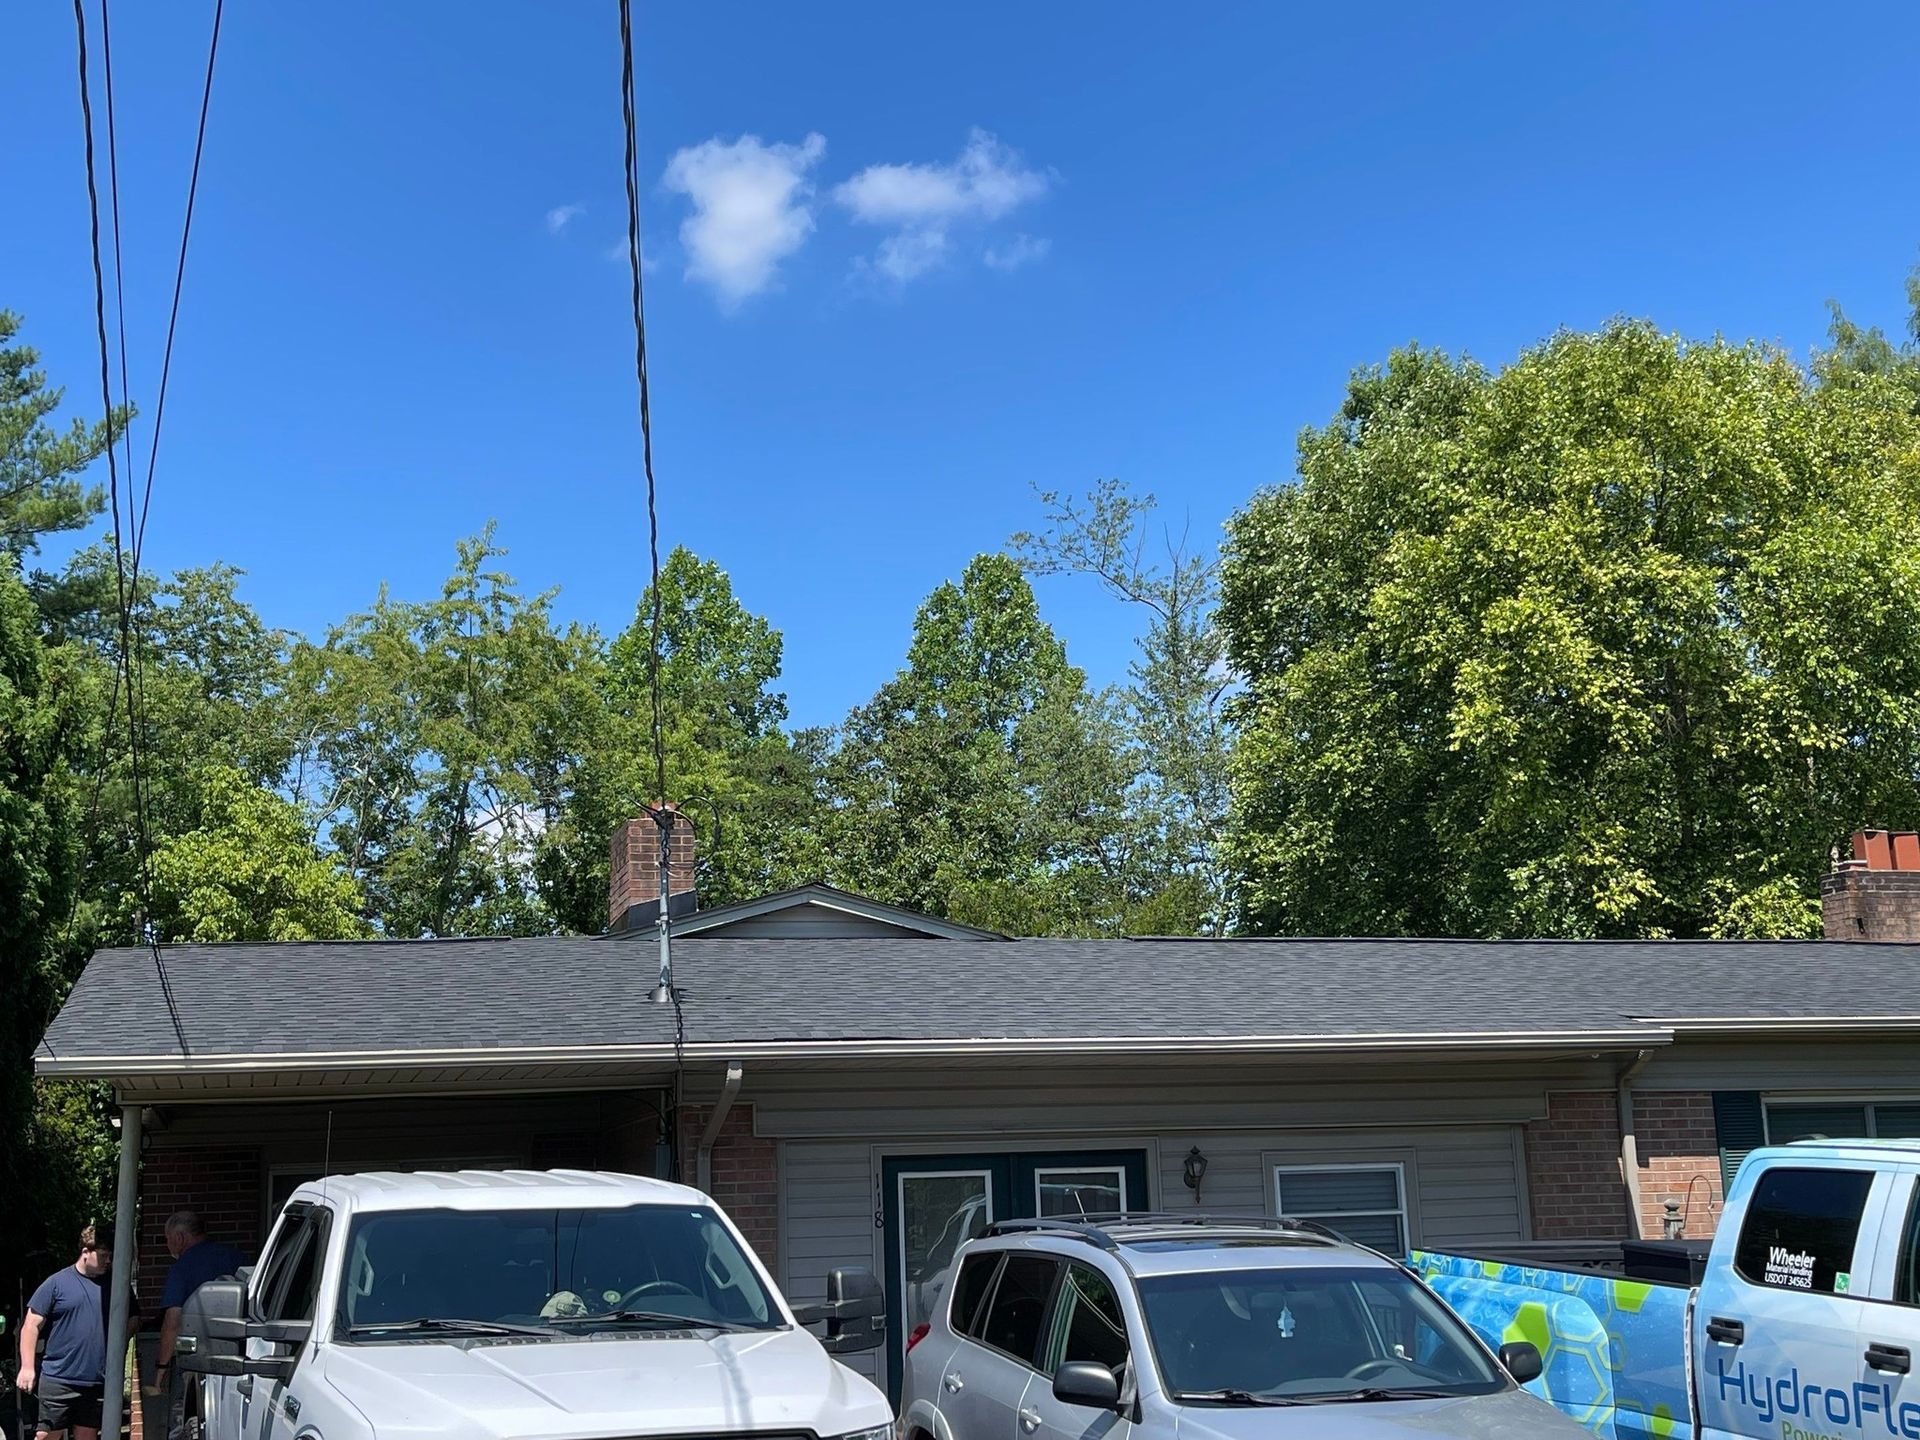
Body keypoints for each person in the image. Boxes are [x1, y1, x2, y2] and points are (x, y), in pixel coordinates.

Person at [16, 1225, 114, 1440]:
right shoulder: (57, 1283)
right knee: (46, 1435)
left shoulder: (113, 1286)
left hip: (95, 1380)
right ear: (85, 1252)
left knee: (87, 1436)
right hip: (58, 1378)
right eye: (104, 1255)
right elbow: (31, 1325)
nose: (109, 1261)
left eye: (110, 1256)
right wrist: (27, 1367)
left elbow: (132, 1318)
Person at [153, 1213, 242, 1440]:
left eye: (168, 1238)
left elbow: (173, 1321)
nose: (167, 1245)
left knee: (183, 1425)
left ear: (180, 1238)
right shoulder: (236, 1258)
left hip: (193, 1361)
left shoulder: (182, 1268)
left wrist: (161, 1368)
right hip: (238, 1359)